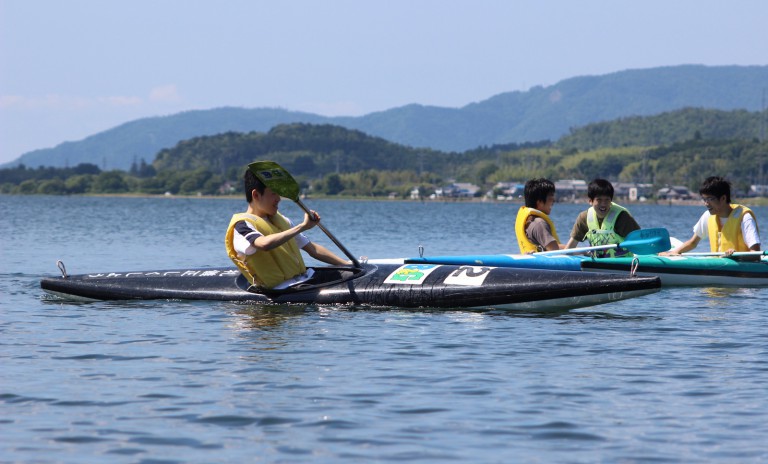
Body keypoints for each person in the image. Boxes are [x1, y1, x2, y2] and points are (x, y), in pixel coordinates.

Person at [225, 166, 350, 290]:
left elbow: (312, 249)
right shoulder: (242, 226)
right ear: (256, 195)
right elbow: (263, 244)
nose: (278, 199)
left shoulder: (282, 221)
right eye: (273, 193)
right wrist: (302, 226)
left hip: (306, 279)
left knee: (351, 274)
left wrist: (347, 264)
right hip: (283, 289)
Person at [663, 176, 761, 257]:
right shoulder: (708, 215)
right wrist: (674, 252)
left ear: (723, 198)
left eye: (710, 199)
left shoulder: (745, 217)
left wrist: (736, 257)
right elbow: (693, 243)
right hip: (719, 266)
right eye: (704, 199)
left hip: (741, 268)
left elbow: (755, 254)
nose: (706, 203)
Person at [564, 179, 641, 257]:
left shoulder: (622, 217)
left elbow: (640, 243)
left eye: (607, 200)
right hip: (599, 265)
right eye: (599, 200)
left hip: (624, 266)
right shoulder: (584, 218)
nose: (603, 204)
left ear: (611, 200)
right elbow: (570, 248)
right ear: (590, 201)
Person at [515, 178, 565, 253]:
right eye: (551, 196)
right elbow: (555, 251)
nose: (553, 200)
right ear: (539, 202)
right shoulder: (539, 223)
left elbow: (553, 246)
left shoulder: (530, 220)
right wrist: (583, 252)